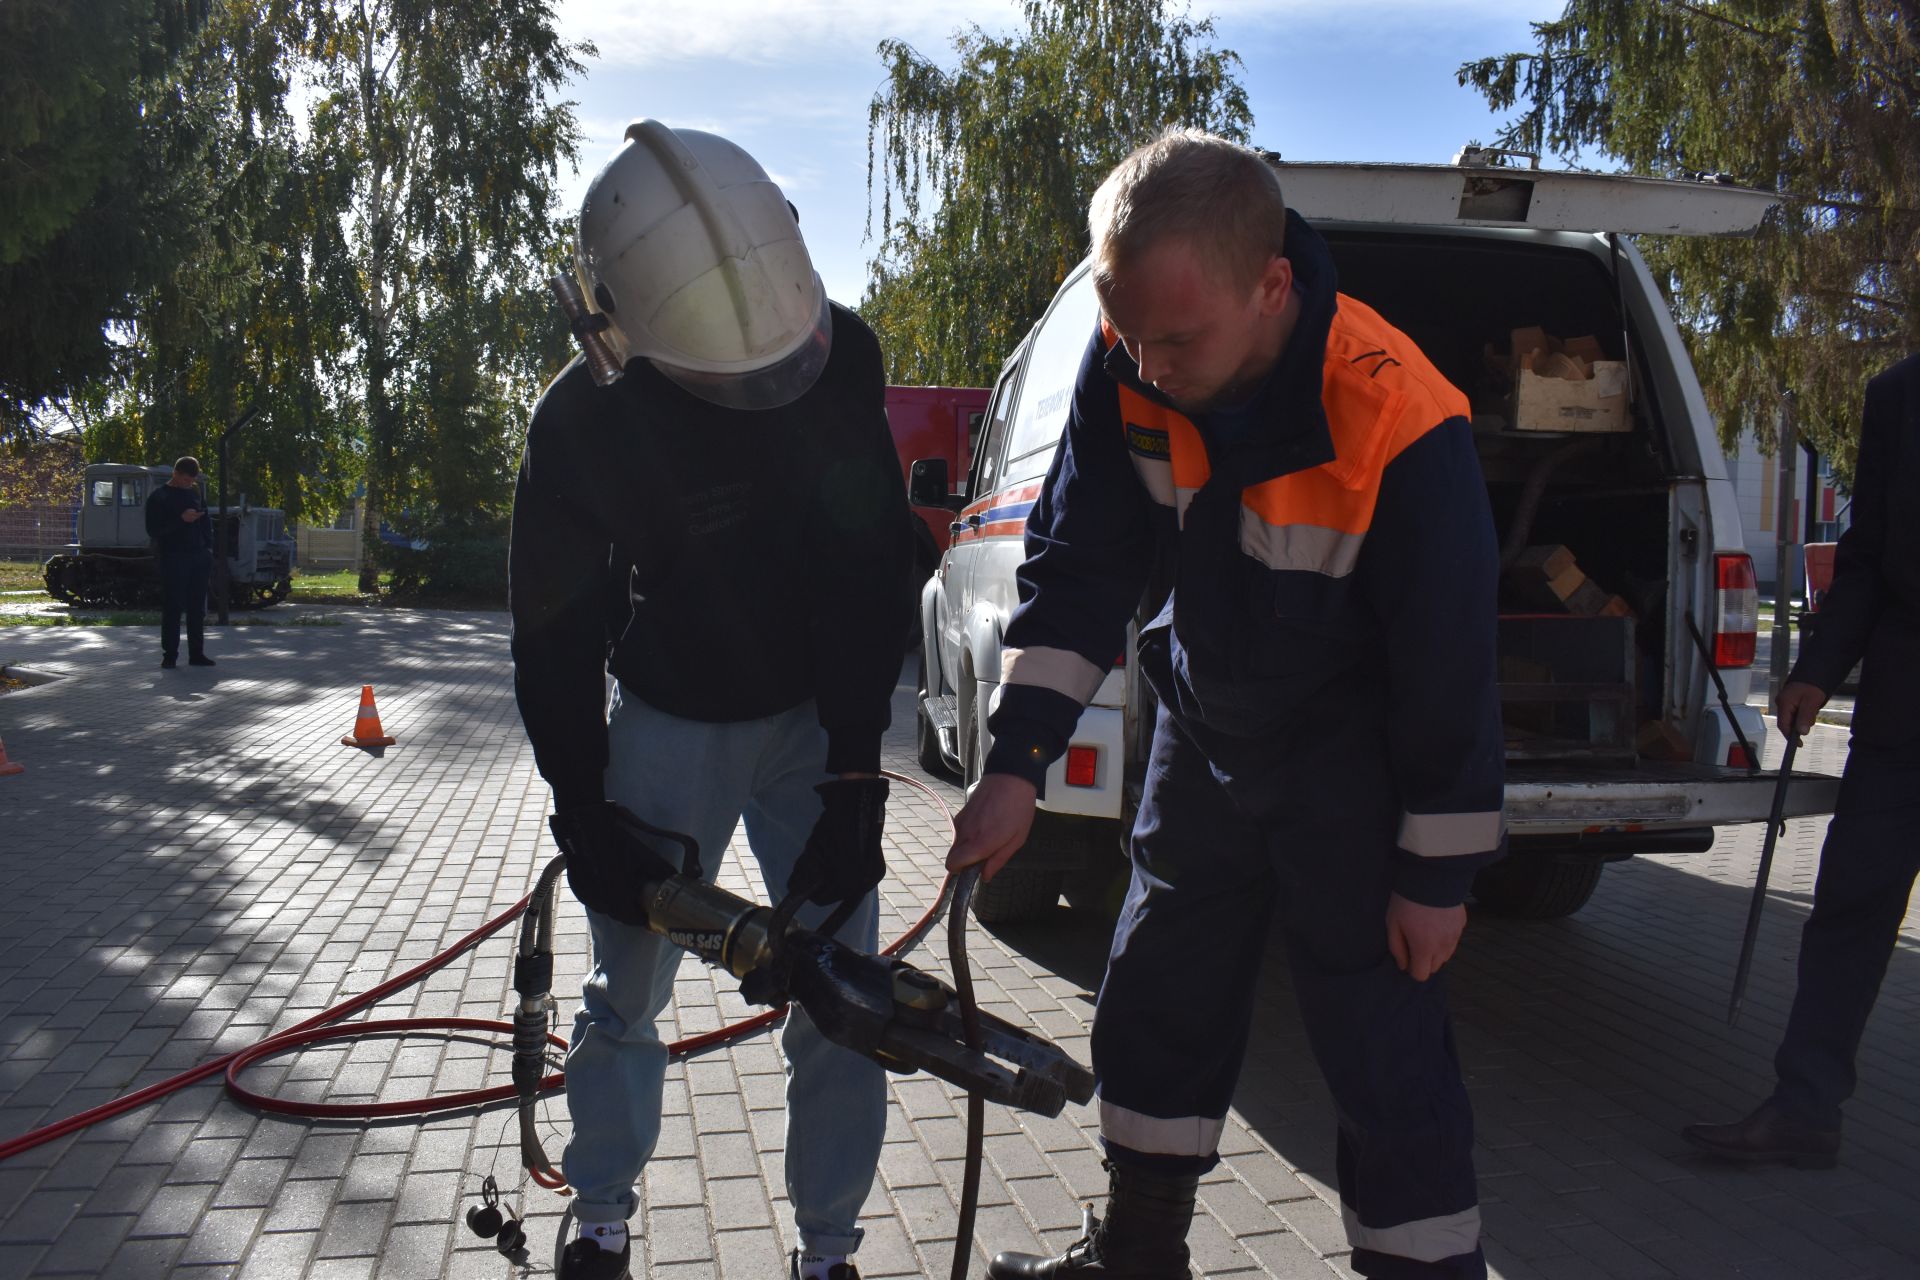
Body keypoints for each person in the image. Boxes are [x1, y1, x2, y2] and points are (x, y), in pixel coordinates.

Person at [947, 131, 1506, 1279]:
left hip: (1352, 769)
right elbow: (1077, 572)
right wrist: (1013, 767)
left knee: (1383, 1051)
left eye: (1177, 339)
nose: (1148, 367)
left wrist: (1435, 873)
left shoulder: (1402, 418)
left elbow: (1449, 668)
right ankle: (1138, 1253)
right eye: (1133, 336)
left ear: (1274, 288)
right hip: (1204, 737)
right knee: (1157, 995)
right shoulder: (1131, 358)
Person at [508, 120, 912, 1280]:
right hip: (673, 717)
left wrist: (854, 771)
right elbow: (554, 634)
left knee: (844, 992)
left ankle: (827, 1249)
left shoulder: (840, 358)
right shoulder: (584, 425)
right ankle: (600, 1220)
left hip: (807, 719)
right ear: (619, 327)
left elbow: (867, 565)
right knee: (626, 986)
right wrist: (584, 807)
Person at [1684, 353, 1920, 1168]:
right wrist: (1817, 671)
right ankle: (1806, 1110)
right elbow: (1868, 555)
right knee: (1850, 908)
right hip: (1904, 716)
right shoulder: (1899, 391)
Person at [144, 456, 215, 669]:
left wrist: (207, 548)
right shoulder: (160, 497)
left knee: (197, 608)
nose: (189, 484)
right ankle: (170, 656)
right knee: (173, 607)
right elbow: (153, 530)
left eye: (192, 480)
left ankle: (197, 654)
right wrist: (180, 520)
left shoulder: (194, 494)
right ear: (175, 474)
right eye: (185, 480)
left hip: (198, 556)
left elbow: (206, 521)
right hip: (173, 557)